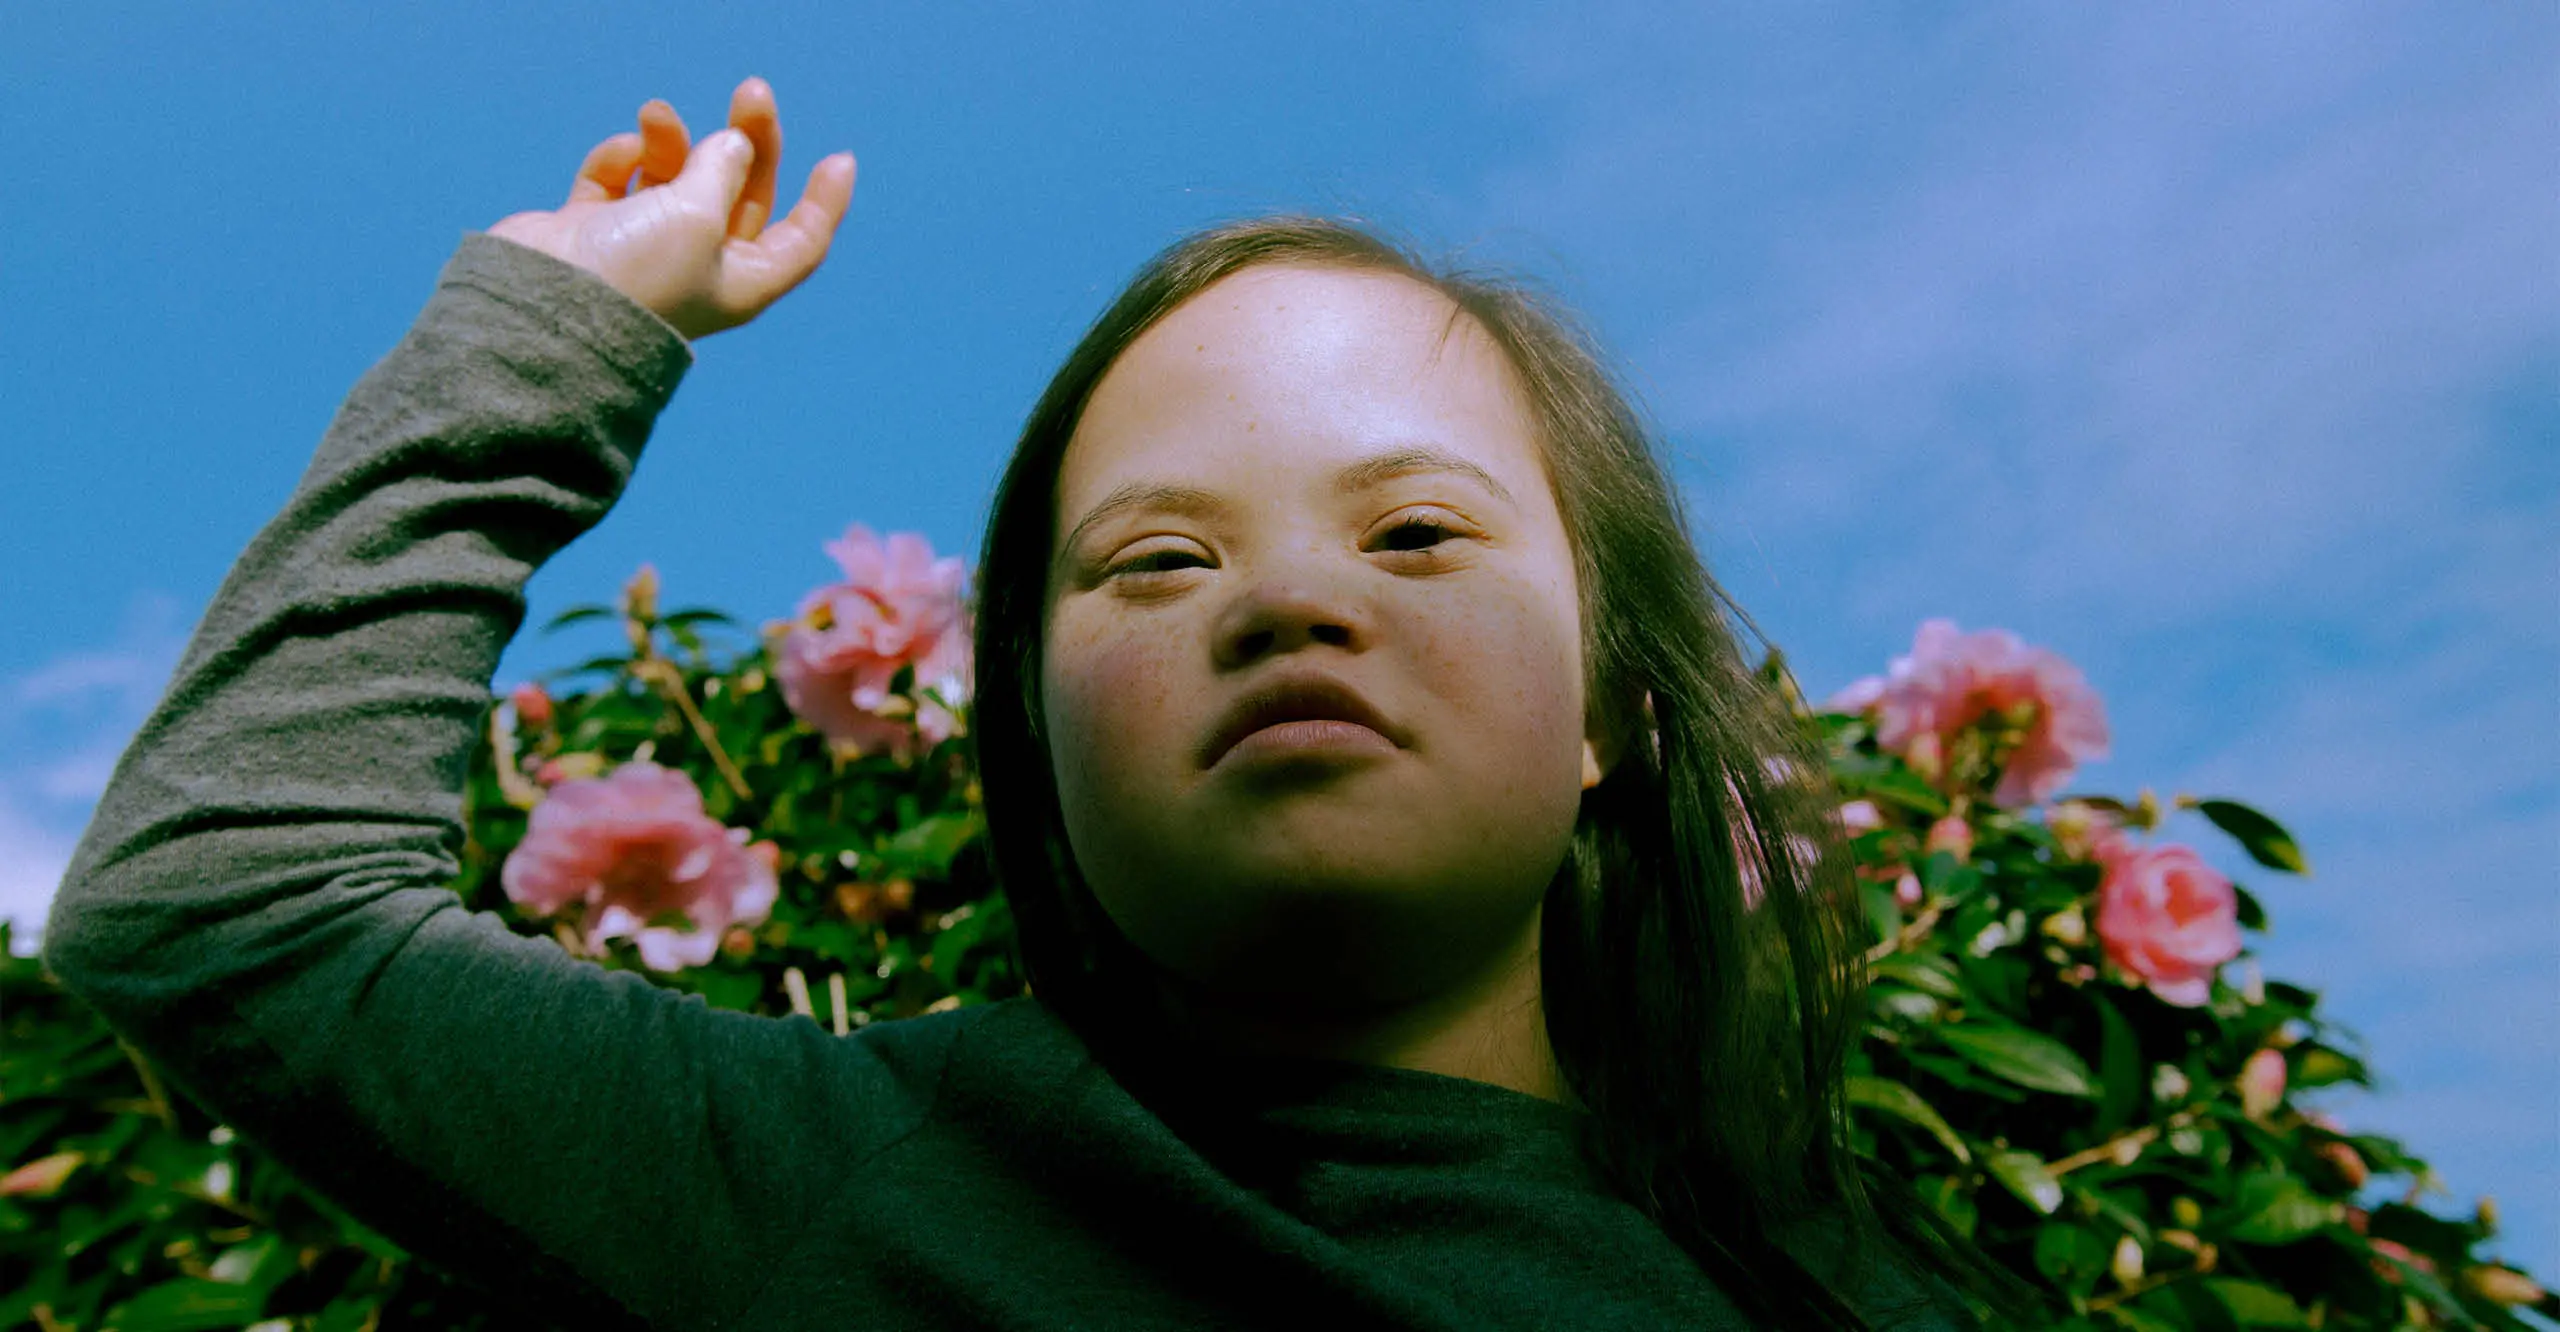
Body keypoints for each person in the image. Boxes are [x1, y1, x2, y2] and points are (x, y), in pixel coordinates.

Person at [43, 78, 2022, 1329]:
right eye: (1158, 562)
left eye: (1414, 532)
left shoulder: (1861, 1295)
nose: (1289, 600)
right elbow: (224, 904)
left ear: (1620, 715)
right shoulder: (843, 1171)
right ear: (1034, 742)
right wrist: (556, 324)